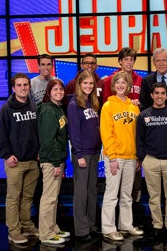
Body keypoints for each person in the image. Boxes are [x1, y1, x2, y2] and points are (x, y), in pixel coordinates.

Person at [137, 82, 167, 241]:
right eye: (156, 93)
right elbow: (140, 140)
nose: (159, 96)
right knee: (154, 197)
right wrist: (143, 158)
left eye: (162, 93)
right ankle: (157, 225)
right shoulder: (143, 115)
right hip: (151, 161)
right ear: (151, 95)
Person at [0, 73, 40, 244]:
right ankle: (14, 230)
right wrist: (6, 155)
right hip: (15, 162)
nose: (23, 88)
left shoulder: (33, 106)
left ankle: (26, 225)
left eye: (25, 85)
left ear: (29, 87)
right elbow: (1, 135)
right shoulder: (6, 109)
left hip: (32, 160)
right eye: (19, 85)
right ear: (13, 88)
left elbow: (36, 133)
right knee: (13, 198)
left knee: (28, 197)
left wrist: (38, 151)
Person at [100, 71, 144, 241]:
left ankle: (126, 225)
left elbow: (137, 134)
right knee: (111, 194)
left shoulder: (134, 107)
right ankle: (108, 228)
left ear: (128, 86)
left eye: (123, 83)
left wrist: (137, 157)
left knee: (127, 195)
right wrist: (111, 157)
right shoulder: (108, 106)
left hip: (131, 157)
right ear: (113, 86)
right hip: (115, 157)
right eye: (117, 83)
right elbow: (106, 133)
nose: (120, 85)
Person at [102, 47, 143, 205]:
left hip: (132, 138)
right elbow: (108, 104)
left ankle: (130, 220)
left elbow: (143, 104)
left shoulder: (140, 79)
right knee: (113, 192)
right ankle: (110, 225)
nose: (129, 62)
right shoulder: (110, 79)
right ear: (120, 61)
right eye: (125, 59)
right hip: (116, 141)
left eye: (131, 59)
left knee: (132, 188)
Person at [67, 70, 101, 242]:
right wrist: (78, 154)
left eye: (91, 83)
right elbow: (74, 132)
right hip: (82, 154)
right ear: (79, 85)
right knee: (81, 193)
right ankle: (81, 230)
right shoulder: (74, 104)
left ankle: (92, 226)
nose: (88, 86)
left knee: (92, 191)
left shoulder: (93, 103)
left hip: (95, 153)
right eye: (85, 83)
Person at [38, 79, 70, 244]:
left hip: (57, 159)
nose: (59, 92)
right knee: (49, 198)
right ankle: (45, 234)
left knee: (54, 197)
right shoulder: (48, 111)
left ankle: (52, 228)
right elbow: (48, 141)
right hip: (51, 161)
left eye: (61, 89)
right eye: (55, 89)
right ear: (48, 92)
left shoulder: (57, 108)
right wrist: (56, 163)